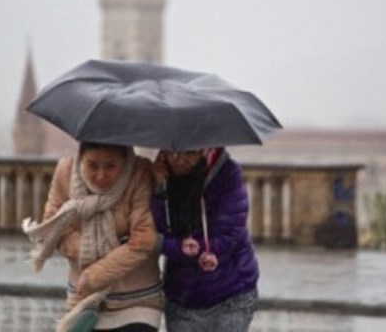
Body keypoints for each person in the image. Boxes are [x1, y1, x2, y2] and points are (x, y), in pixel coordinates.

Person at [22, 142, 164, 332]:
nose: (101, 175)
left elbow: (142, 241)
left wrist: (93, 276)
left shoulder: (140, 171)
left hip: (137, 299)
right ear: (81, 157)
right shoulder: (65, 171)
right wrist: (92, 249)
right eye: (92, 165)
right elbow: (54, 227)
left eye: (111, 166)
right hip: (84, 301)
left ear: (125, 159)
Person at [148, 147, 259, 331]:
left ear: (206, 150)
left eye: (189, 153)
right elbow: (156, 232)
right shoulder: (163, 179)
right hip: (182, 296)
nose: (179, 160)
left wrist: (183, 249)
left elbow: (227, 236)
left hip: (231, 293)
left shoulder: (227, 174)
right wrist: (158, 188)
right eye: (172, 152)